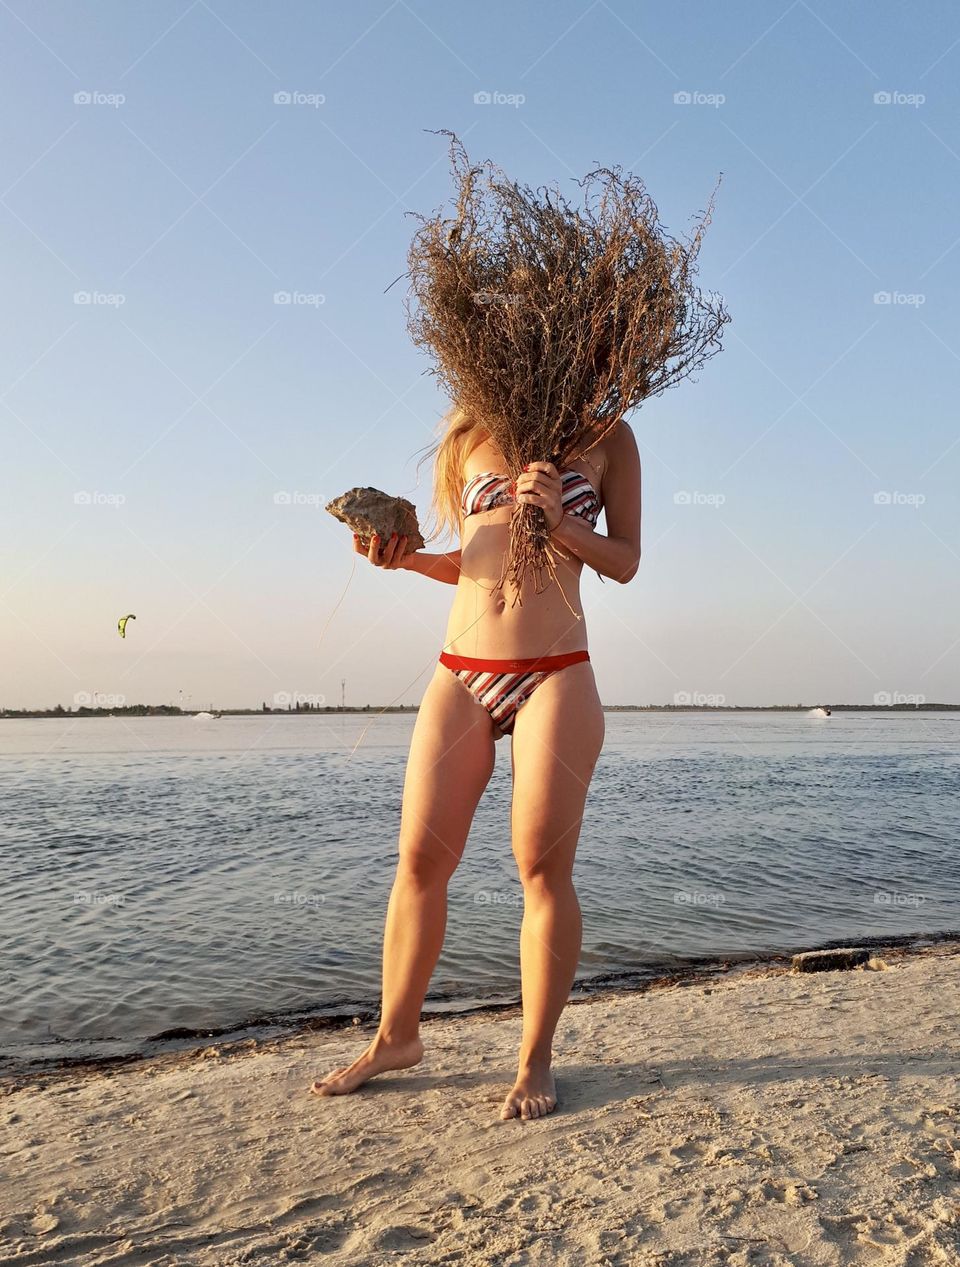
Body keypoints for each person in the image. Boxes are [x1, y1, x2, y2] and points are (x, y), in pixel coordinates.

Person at [310, 406, 642, 1119]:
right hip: (461, 669)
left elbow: (625, 560)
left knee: (541, 870)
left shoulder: (609, 436)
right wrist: (405, 559)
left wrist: (563, 522)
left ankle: (535, 1058)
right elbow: (474, 556)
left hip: (556, 670)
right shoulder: (469, 427)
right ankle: (396, 1036)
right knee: (420, 859)